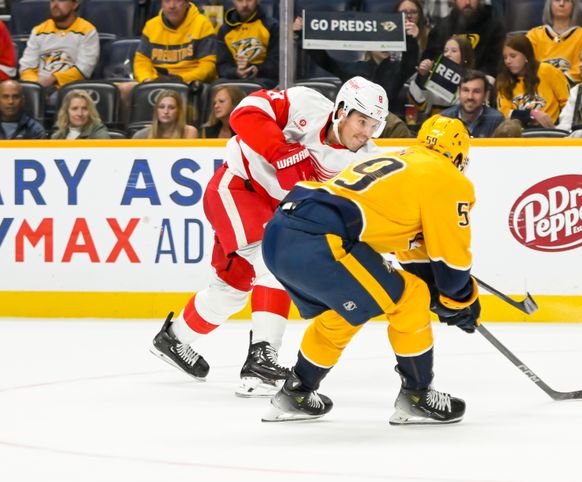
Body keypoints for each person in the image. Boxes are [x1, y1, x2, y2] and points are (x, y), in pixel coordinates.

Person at [149, 76, 388, 398]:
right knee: (276, 264)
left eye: (374, 126)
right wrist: (282, 151)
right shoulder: (305, 102)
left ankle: (174, 339)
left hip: (273, 211)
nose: (366, 133)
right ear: (341, 111)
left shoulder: (362, 161)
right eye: (362, 121)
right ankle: (262, 360)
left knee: (231, 290)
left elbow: (364, 212)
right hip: (237, 186)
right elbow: (243, 114)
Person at [260, 115, 477, 424]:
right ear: (458, 155)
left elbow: (412, 252)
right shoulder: (448, 178)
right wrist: (460, 299)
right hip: (322, 240)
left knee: (346, 311)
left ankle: (296, 391)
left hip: (283, 231)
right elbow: (452, 261)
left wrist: (446, 295)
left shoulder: (398, 159)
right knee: (410, 298)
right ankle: (417, 396)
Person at [18, 0, 99, 91]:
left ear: (75, 4)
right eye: (52, 1)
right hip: (39, 87)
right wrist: (36, 86)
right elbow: (26, 66)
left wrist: (54, 78)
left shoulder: (87, 30)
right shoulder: (38, 31)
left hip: (70, 88)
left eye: (61, 0)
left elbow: (84, 69)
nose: (55, 5)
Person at [134, 0, 217, 84]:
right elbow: (141, 62)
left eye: (178, 1)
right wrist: (146, 80)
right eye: (167, 1)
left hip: (191, 84)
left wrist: (180, 79)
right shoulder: (151, 26)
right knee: (125, 88)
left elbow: (208, 66)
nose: (172, 6)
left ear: (187, 2)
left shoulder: (203, 24)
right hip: (155, 82)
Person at [496, 34, 570, 128]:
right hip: (519, 135)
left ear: (526, 55)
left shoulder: (548, 71)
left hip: (551, 131)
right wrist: (532, 114)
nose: (508, 61)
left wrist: (562, 128)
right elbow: (504, 113)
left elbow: (568, 103)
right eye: (505, 57)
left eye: (513, 56)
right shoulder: (504, 81)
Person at [423, 0, 506, 77]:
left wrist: (471, 79)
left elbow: (495, 65)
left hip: (480, 86)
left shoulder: (495, 29)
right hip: (444, 85)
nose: (467, 2)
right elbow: (431, 59)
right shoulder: (440, 28)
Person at [409, 35, 476, 122]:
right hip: (434, 128)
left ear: (465, 56)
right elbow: (418, 104)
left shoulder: (476, 81)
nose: (447, 54)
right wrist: (422, 76)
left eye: (454, 51)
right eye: (445, 51)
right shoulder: (432, 76)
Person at [526, 0, 582, 84]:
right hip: (539, 86)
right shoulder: (534, 35)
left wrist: (559, 81)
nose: (561, 4)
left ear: (573, 6)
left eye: (567, 1)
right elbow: (527, 64)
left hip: (571, 88)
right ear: (550, 4)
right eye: (557, 0)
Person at [216, 0, 279, 88]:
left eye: (249, 0)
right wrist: (236, 72)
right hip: (234, 78)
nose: (245, 5)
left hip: (263, 79)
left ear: (258, 1)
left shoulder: (272, 26)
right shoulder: (224, 30)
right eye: (240, 0)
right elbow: (222, 66)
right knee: (217, 86)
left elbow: (276, 64)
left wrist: (256, 69)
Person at [440, 69, 504, 137]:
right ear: (459, 92)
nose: (470, 97)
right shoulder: (444, 119)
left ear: (485, 95)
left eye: (476, 91)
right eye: (466, 90)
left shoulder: (497, 121)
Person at [133, 90, 199, 139]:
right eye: (161, 107)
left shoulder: (189, 132)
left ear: (179, 111)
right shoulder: (141, 136)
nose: (166, 111)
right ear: (156, 110)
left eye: (171, 107)